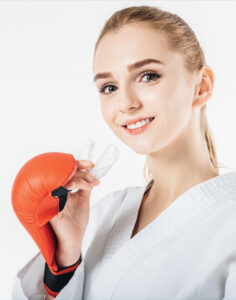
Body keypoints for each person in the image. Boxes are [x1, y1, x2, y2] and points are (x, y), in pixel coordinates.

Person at [11, 5, 236, 300]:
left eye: (148, 76)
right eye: (109, 87)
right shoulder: (106, 213)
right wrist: (65, 259)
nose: (126, 103)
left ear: (201, 86)